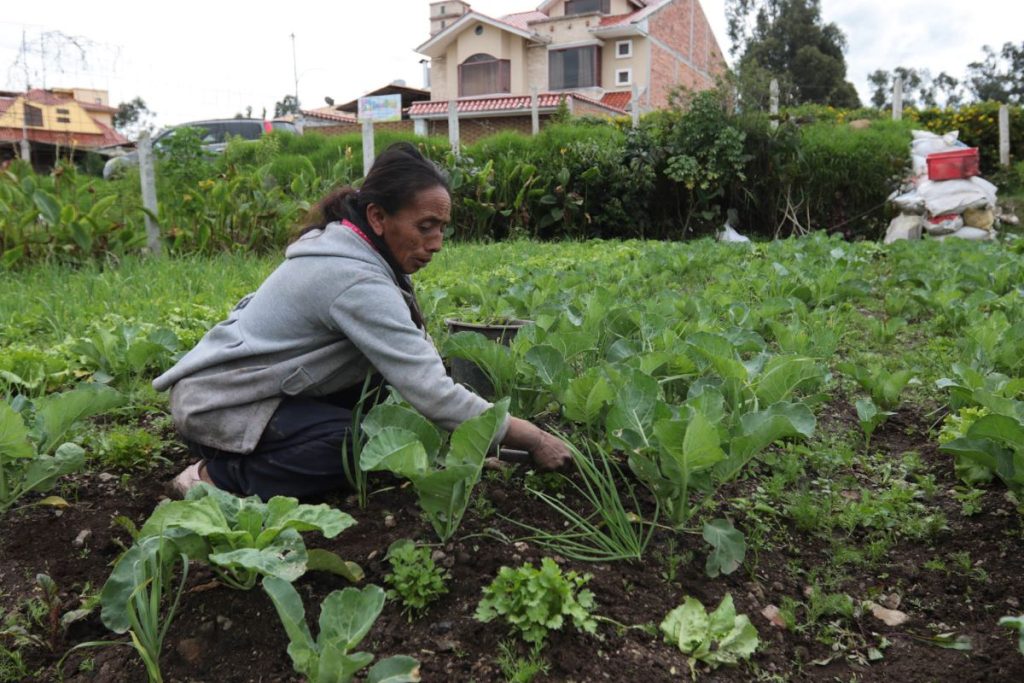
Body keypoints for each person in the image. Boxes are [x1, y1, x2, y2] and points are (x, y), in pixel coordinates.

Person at [154, 142, 571, 500]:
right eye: (426, 227)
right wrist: (532, 438)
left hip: (256, 394)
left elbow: (418, 361)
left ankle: (264, 451)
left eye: (442, 228)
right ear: (377, 217)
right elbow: (432, 393)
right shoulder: (354, 279)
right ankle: (214, 479)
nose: (437, 243)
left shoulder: (364, 252)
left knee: (375, 398)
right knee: (359, 446)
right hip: (219, 407)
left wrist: (479, 443)